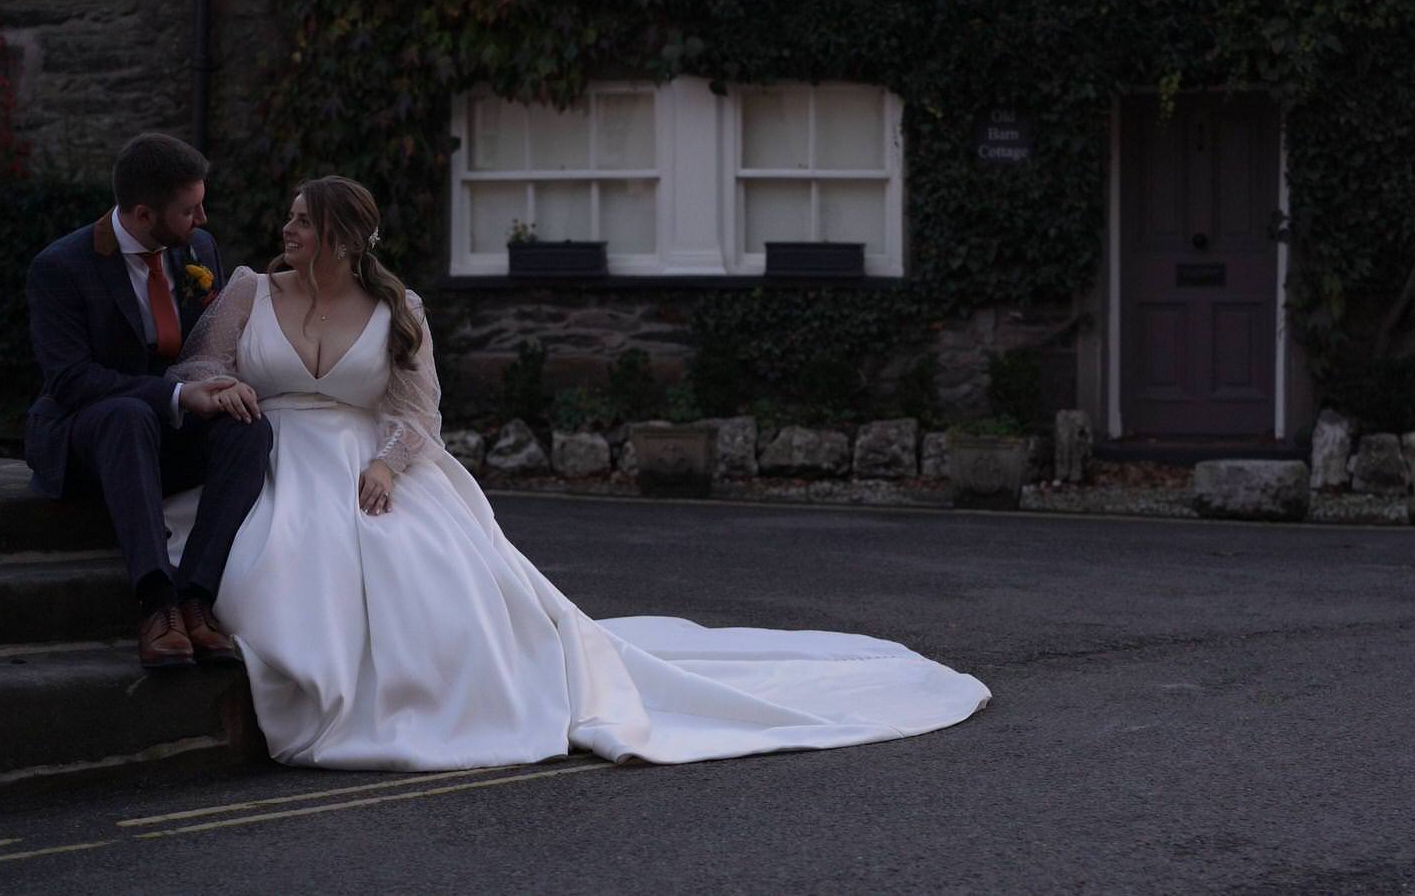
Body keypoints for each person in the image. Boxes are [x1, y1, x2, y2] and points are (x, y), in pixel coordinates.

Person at [163, 175, 988, 769]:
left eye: (303, 222)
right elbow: (195, 367)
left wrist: (386, 465)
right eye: (290, 219)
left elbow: (418, 412)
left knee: (420, 567)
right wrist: (216, 387)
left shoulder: (397, 309)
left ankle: (431, 697)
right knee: (271, 562)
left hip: (364, 460)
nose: (287, 230)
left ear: (341, 238)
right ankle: (299, 683)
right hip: (268, 454)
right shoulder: (245, 290)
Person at [25, 133, 274, 669]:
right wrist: (180, 394)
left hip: (164, 431)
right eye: (190, 210)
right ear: (142, 214)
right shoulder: (60, 268)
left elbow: (214, 341)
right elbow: (70, 380)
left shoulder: (198, 251)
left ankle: (197, 597)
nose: (203, 219)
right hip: (87, 433)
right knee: (128, 413)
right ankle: (156, 605)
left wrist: (224, 384)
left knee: (248, 425)